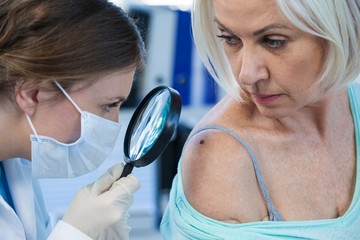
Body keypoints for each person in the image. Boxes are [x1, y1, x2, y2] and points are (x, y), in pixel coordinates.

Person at [160, 0, 360, 239]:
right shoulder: (221, 156)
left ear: (342, 27)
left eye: (274, 41)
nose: (246, 75)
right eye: (230, 38)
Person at [0, 0, 145, 239]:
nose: (115, 124)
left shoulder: (17, 168)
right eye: (108, 105)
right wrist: (75, 233)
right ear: (33, 93)